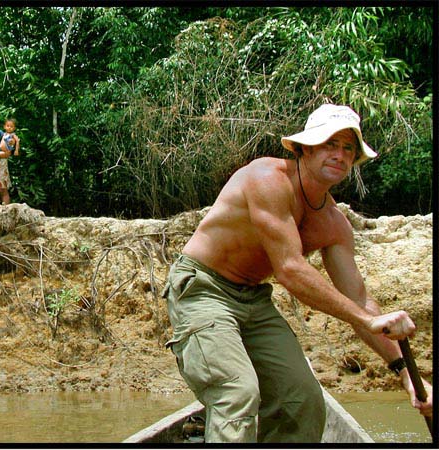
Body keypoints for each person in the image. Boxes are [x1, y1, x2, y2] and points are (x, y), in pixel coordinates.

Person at [163, 104, 433, 443]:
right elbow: (290, 270)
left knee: (303, 399)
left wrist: (406, 373)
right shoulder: (267, 179)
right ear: (305, 148)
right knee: (238, 392)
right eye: (330, 144)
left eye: (348, 148)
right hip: (202, 289)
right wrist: (365, 320)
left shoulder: (334, 224)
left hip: (253, 299)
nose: (340, 155)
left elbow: (360, 300)